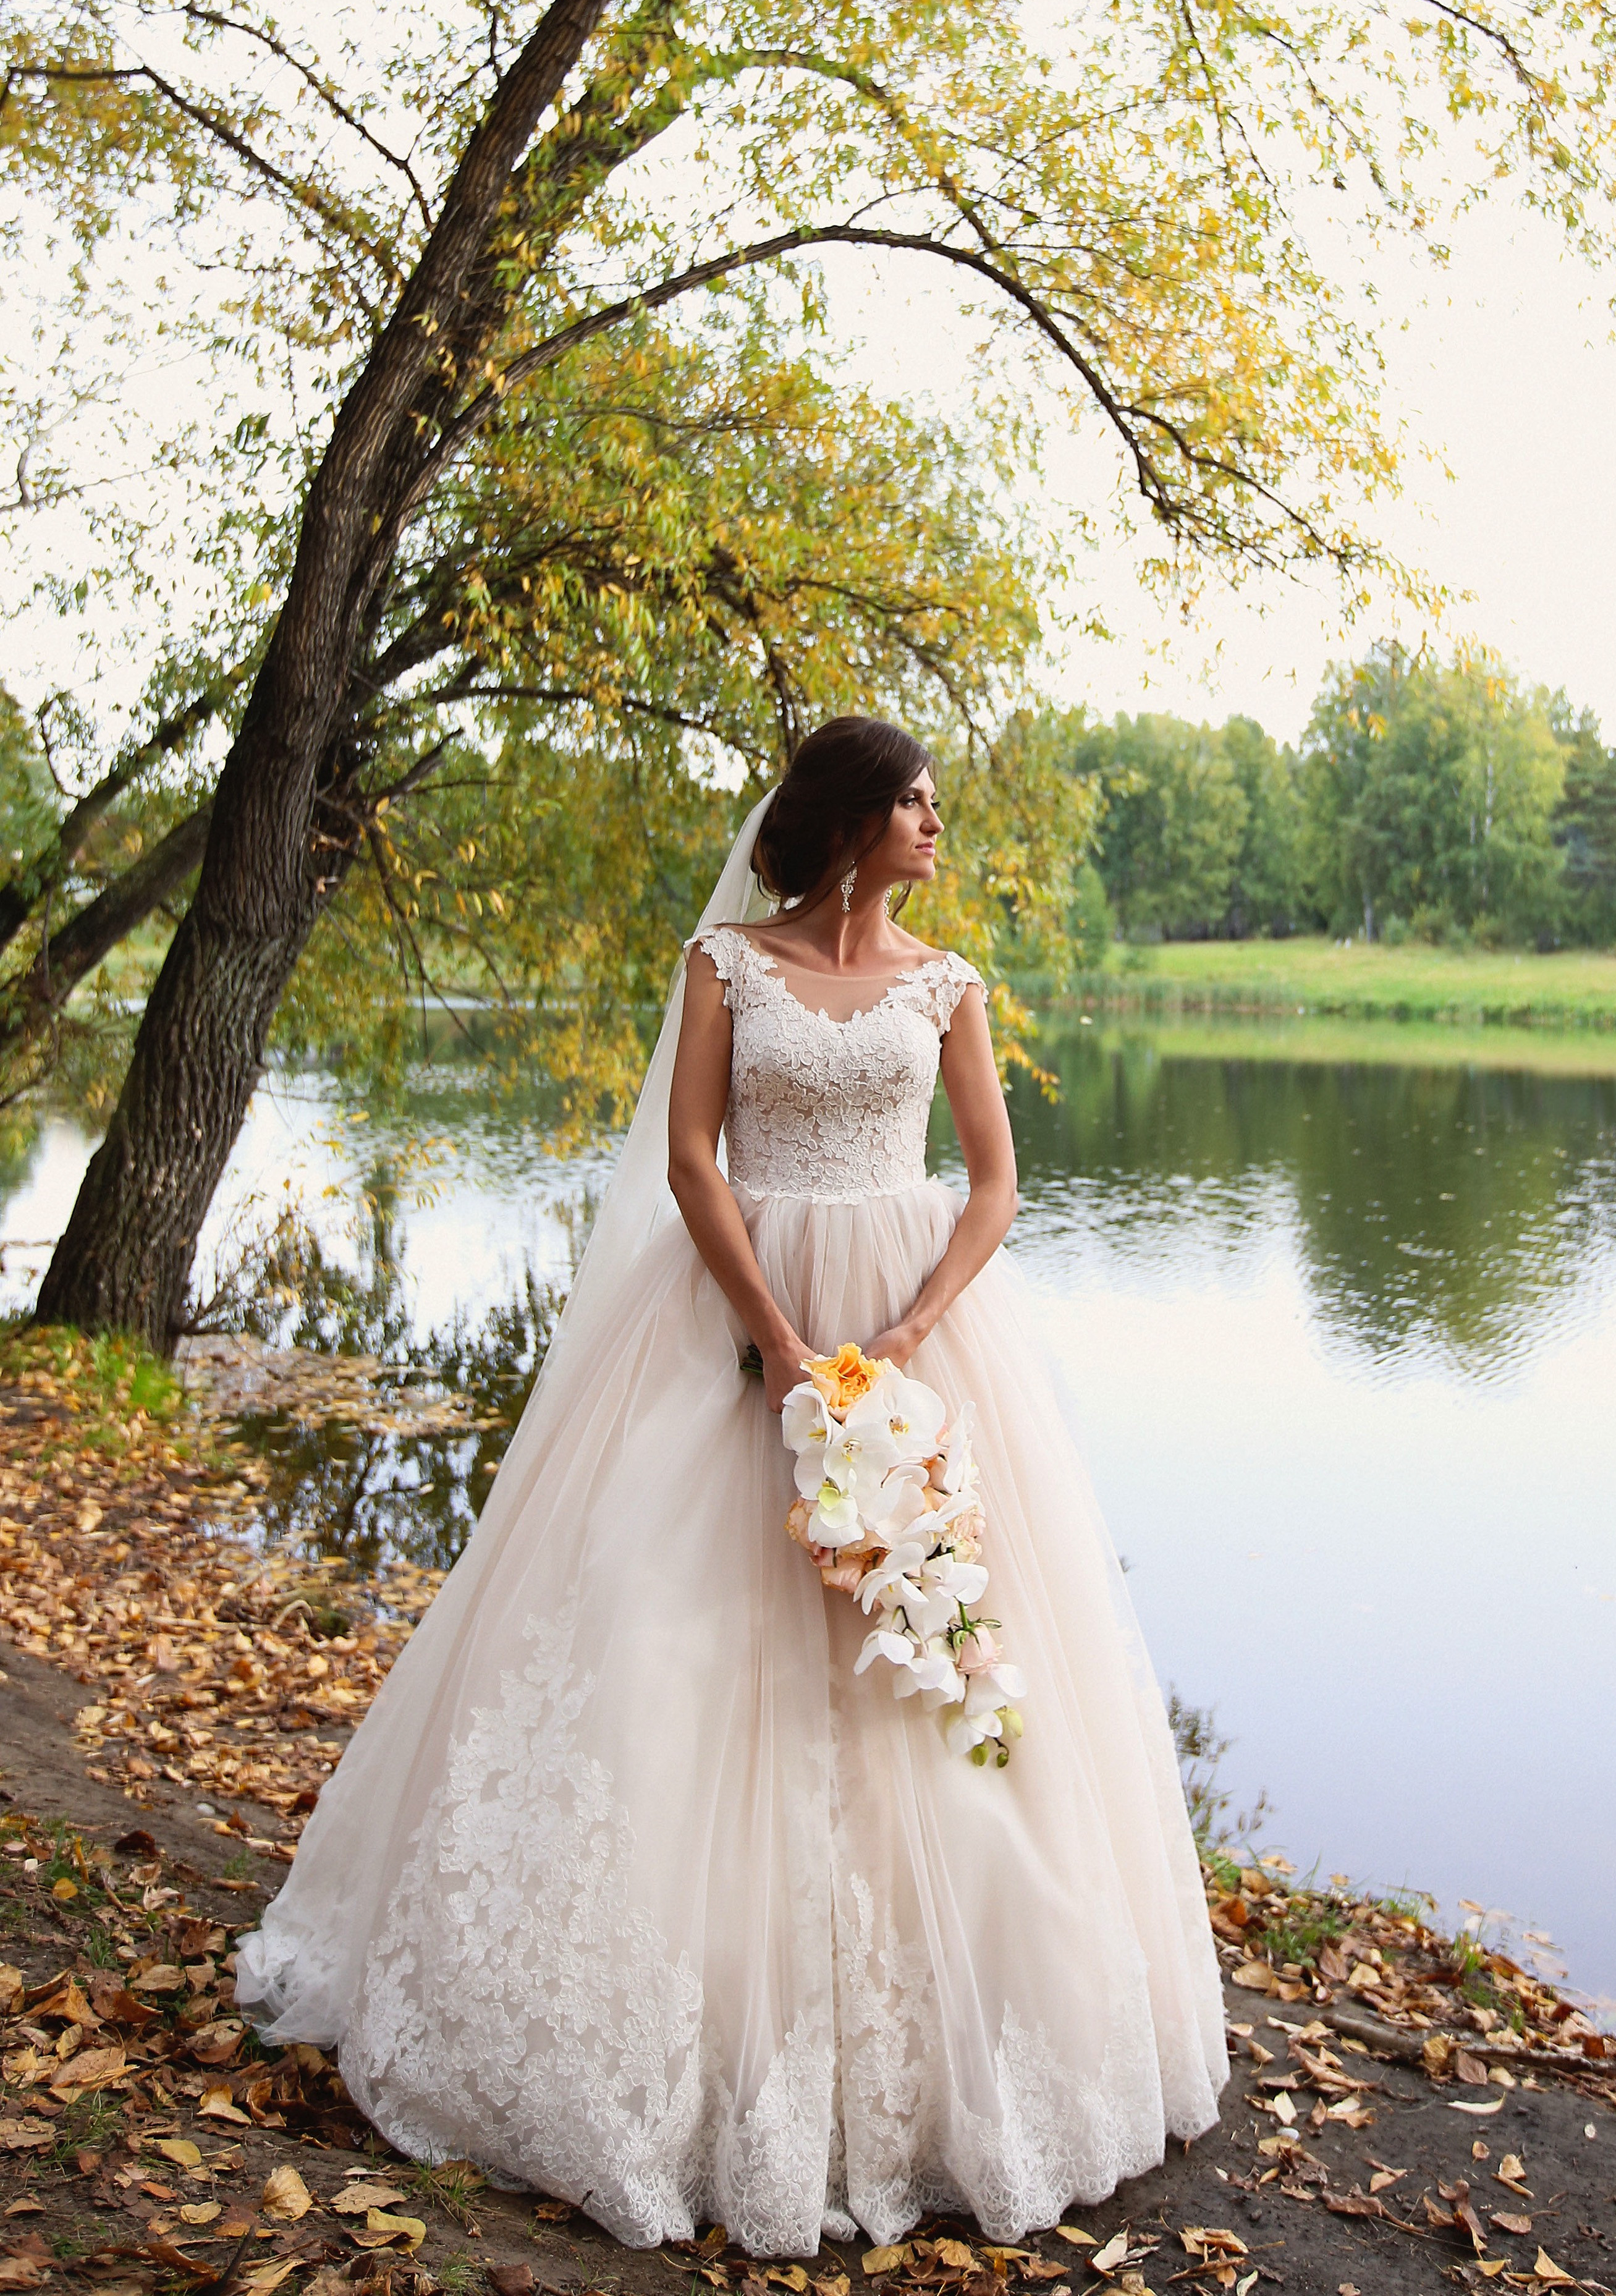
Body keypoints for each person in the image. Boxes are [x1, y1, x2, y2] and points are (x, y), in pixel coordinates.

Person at [235, 715, 1227, 2257]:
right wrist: (774, 1337)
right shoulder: (728, 969)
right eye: (910, 800)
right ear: (843, 815)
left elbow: (997, 1182)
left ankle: (960, 2050)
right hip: (730, 1308)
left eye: (935, 803)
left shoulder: (949, 985)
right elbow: (693, 1159)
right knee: (669, 1631)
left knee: (930, 1644)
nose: (931, 821)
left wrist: (898, 1339)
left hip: (914, 1326)